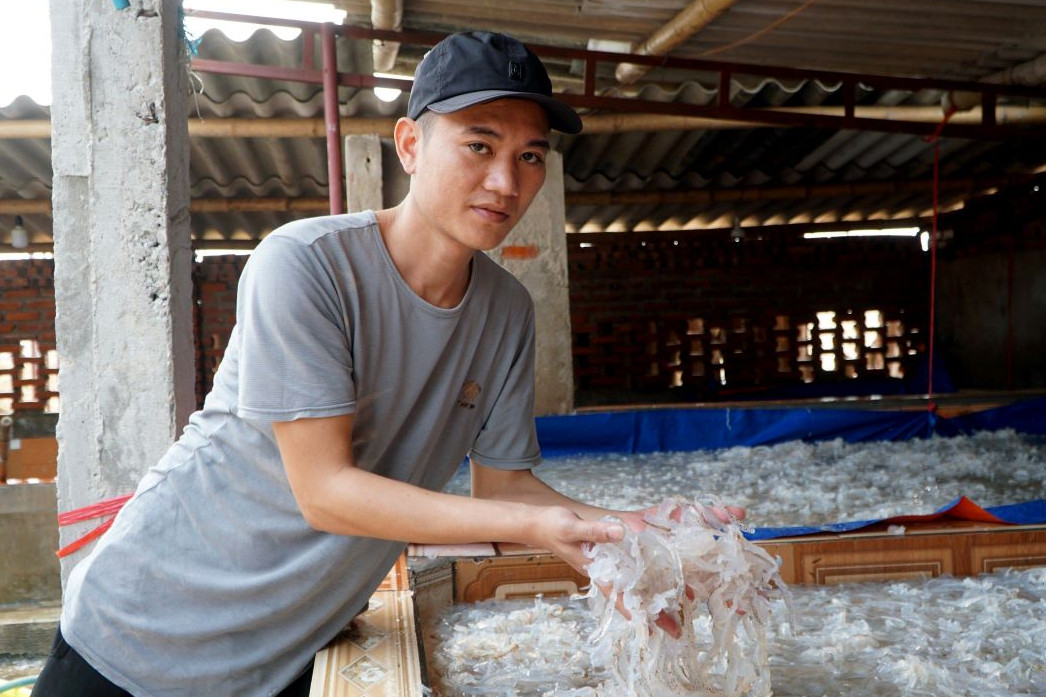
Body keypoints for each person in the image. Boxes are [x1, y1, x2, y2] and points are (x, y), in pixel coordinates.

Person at [33, 31, 740, 697]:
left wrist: (628, 532)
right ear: (409, 144)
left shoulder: (507, 313)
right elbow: (325, 490)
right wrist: (536, 531)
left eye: (529, 156)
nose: (505, 180)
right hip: (139, 633)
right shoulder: (307, 266)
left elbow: (506, 489)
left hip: (281, 653)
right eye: (478, 145)